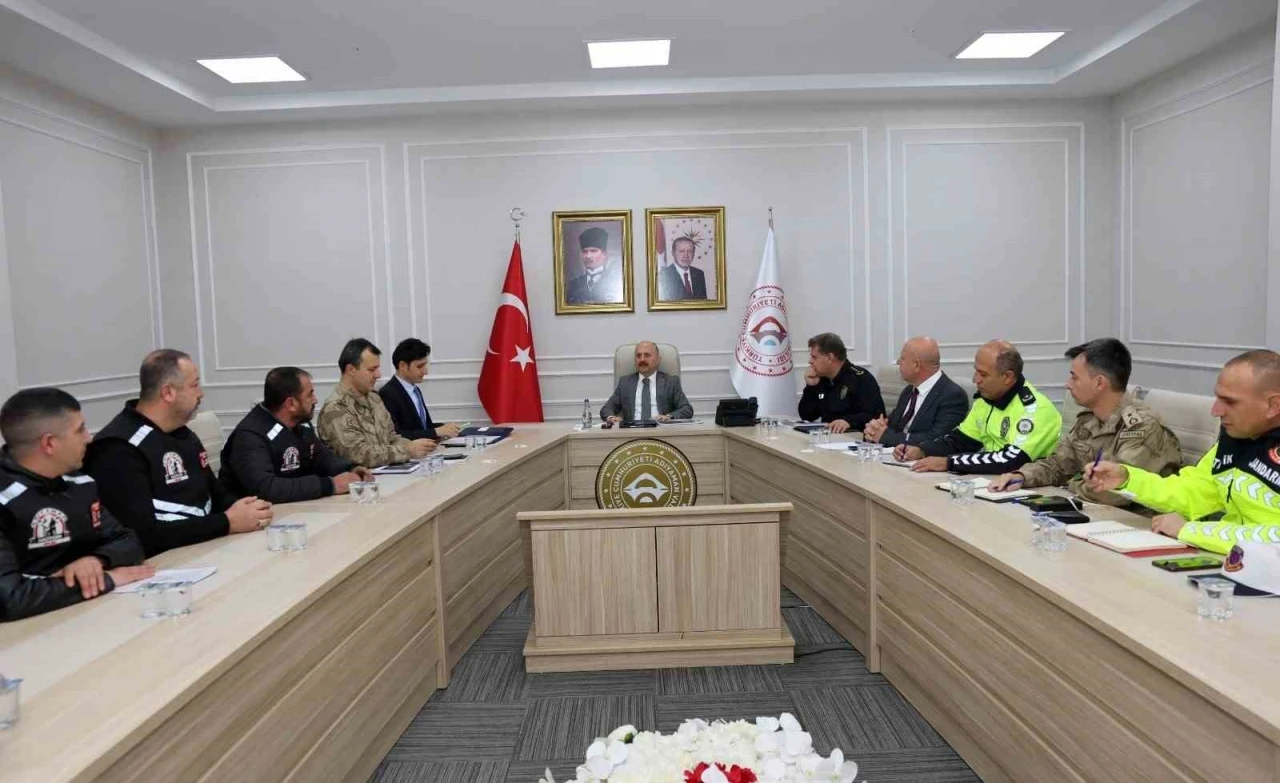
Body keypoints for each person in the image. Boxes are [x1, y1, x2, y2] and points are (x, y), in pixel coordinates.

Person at [1084, 350, 1280, 553]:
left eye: (1230, 402)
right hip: (1234, 562)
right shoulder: (1238, 438)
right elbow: (1193, 494)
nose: (1216, 411)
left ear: (1273, 405)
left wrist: (1191, 531)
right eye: (1218, 398)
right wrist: (1127, 479)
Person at [86, 350, 273, 556]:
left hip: (206, 548)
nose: (201, 393)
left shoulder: (182, 433)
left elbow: (213, 493)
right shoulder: (118, 448)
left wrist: (246, 509)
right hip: (162, 562)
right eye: (194, 385)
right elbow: (142, 535)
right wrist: (227, 522)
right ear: (168, 393)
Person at [1, 388, 154, 621]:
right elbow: (10, 599)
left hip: (80, 612)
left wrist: (95, 561)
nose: (89, 438)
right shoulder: (4, 500)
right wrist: (108, 579)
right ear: (49, 443)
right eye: (80, 430)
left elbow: (128, 541)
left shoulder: (80, 482)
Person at [989, 338, 1182, 506]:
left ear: (1099, 383)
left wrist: (1071, 485)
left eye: (1074, 377)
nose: (1068, 384)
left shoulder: (1142, 427)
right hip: (1095, 513)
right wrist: (1021, 476)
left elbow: (1113, 493)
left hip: (1135, 523)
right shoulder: (1089, 419)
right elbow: (1059, 464)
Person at [897, 340, 1062, 474]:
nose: (975, 379)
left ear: (1007, 377)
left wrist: (948, 463)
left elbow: (1010, 461)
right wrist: (922, 450)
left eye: (983, 374)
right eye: (976, 371)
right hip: (993, 482)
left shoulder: (1035, 410)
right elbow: (960, 441)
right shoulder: (986, 401)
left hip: (1031, 489)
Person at [221, 367, 372, 504]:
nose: (315, 400)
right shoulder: (250, 436)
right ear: (291, 404)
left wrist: (350, 468)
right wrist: (330, 485)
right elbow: (266, 488)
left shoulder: (301, 425)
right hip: (256, 518)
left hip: (299, 507)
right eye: (310, 394)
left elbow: (322, 458)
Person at [317, 338, 436, 467]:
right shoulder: (336, 408)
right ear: (351, 370)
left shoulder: (374, 399)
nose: (378, 375)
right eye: (371, 369)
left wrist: (417, 446)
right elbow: (358, 455)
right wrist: (407, 450)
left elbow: (391, 438)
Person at [863, 336, 968, 447]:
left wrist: (885, 437)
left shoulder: (953, 396)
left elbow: (937, 439)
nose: (898, 362)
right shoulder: (909, 390)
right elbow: (891, 426)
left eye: (902, 359)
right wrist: (874, 429)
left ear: (916, 365)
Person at [798, 333, 884, 434]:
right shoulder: (822, 379)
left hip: (853, 437)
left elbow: (876, 416)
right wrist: (811, 387)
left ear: (829, 357)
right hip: (828, 436)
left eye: (814, 357)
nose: (810, 361)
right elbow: (806, 416)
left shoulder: (861, 379)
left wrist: (848, 421)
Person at [378, 338, 461, 442]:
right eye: (420, 366)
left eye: (425, 365)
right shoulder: (388, 393)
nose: (425, 371)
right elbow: (395, 435)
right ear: (402, 366)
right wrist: (436, 431)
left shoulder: (415, 390)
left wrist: (445, 428)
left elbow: (423, 427)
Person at [600, 341, 693, 423]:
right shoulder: (625, 383)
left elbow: (686, 409)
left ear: (658, 360)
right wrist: (611, 418)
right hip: (632, 432)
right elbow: (607, 409)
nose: (642, 359)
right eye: (638, 356)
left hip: (662, 430)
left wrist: (669, 417)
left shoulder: (671, 382)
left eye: (647, 355)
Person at [564, 227, 624, 304]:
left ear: (604, 254)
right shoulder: (574, 284)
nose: (588, 256)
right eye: (584, 251)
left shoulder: (615, 282)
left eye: (593, 251)